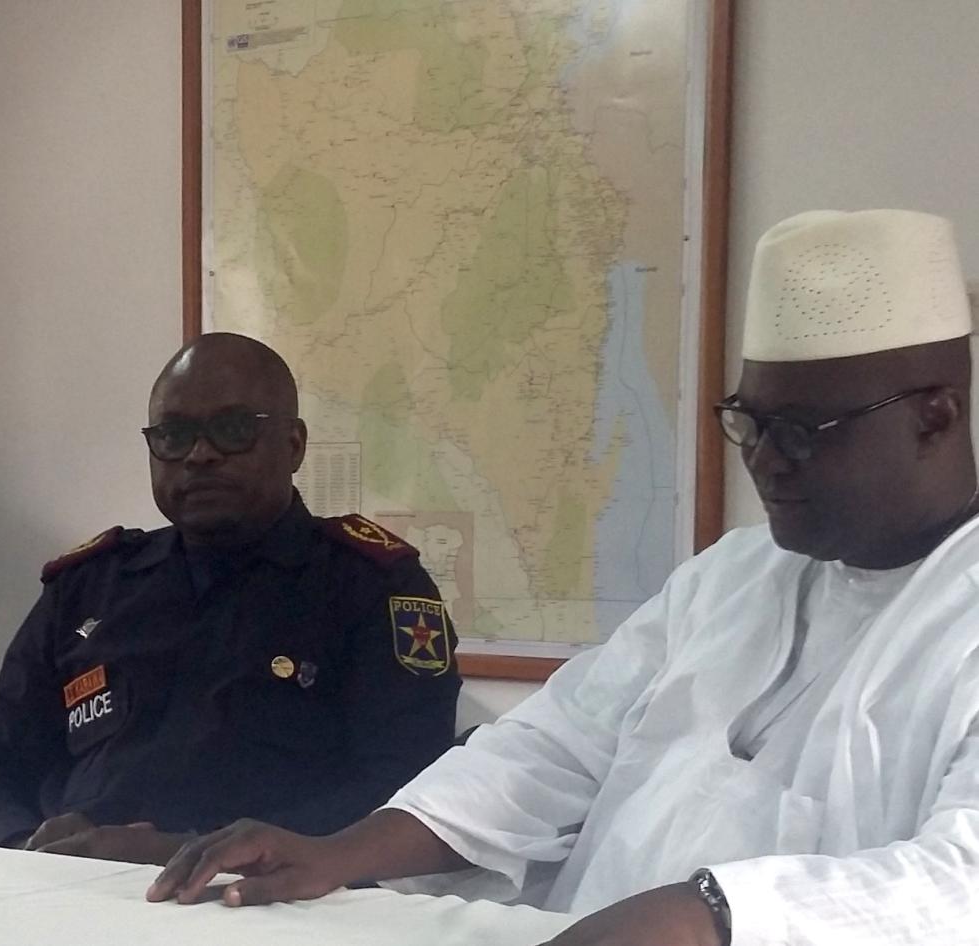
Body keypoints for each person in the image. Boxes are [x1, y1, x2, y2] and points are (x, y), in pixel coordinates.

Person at [148, 209, 979, 945]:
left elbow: (960, 881)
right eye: (749, 423)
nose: (762, 460)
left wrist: (711, 915)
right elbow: (555, 746)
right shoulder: (732, 574)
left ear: (934, 414)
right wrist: (341, 852)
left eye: (799, 430)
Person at [0, 332, 461, 865]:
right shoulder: (88, 587)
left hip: (266, 896)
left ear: (294, 446)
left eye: (233, 430)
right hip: (63, 884)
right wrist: (19, 850)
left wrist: (182, 853)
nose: (200, 455)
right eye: (173, 435)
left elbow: (410, 794)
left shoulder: (371, 586)